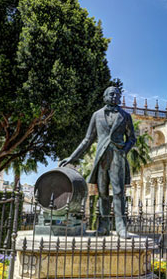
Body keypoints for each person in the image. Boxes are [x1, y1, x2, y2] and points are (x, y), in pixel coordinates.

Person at [59, 86, 136, 238]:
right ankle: (103, 227)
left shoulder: (125, 116)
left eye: (117, 94)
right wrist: (72, 157)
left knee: (119, 192)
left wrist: (123, 151)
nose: (115, 96)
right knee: (102, 193)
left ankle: (121, 227)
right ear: (105, 96)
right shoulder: (97, 115)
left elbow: (132, 138)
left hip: (117, 156)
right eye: (111, 94)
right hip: (101, 157)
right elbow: (87, 139)